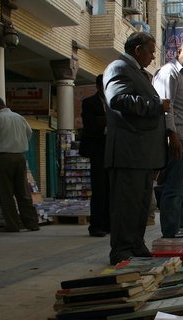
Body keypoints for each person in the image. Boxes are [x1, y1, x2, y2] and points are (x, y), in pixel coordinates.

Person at [103, 32, 176, 265]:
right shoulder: (119, 67)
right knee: (126, 204)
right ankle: (122, 249)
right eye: (151, 50)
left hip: (143, 155)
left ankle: (135, 243)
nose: (153, 55)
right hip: (129, 152)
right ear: (138, 50)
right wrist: (156, 105)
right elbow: (118, 100)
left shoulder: (139, 73)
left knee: (141, 205)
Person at [153, 38, 183, 238]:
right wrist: (172, 137)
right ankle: (170, 236)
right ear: (178, 52)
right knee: (174, 191)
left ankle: (179, 232)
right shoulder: (169, 72)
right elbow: (166, 108)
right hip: (180, 140)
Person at [0, 96, 39, 233]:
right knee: (23, 191)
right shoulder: (19, 117)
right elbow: (29, 133)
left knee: (5, 192)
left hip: (3, 157)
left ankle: (13, 224)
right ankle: (32, 223)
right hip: (20, 157)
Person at [80, 74, 109, 237]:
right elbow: (90, 124)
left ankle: (108, 224)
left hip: (112, 148)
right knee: (99, 189)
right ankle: (96, 225)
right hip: (98, 150)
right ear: (98, 87)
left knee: (110, 188)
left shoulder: (114, 102)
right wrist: (108, 119)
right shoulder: (89, 103)